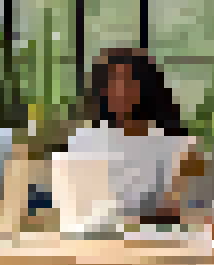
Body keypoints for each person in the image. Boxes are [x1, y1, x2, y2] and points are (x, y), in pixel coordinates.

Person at [60, 48, 200, 226]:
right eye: (112, 81)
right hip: (95, 243)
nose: (119, 90)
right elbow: (75, 209)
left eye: (128, 82)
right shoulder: (83, 141)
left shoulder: (178, 145)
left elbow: (180, 211)